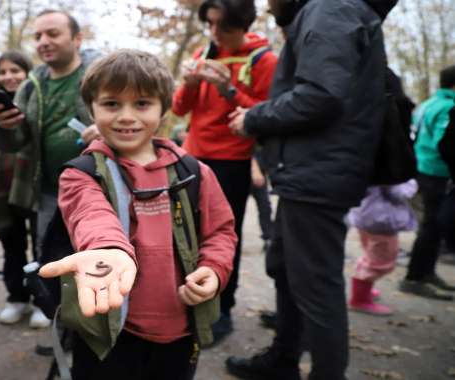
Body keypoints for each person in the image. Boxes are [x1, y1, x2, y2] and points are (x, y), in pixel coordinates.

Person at [38, 49, 236, 380]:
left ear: (163, 110)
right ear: (92, 109)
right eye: (112, 104)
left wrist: (214, 271)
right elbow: (91, 215)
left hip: (182, 330)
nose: (126, 116)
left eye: (142, 103)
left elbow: (221, 232)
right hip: (108, 330)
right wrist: (109, 251)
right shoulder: (81, 174)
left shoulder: (196, 172)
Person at [226, 0, 392, 379]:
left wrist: (254, 118)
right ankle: (284, 358)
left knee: (317, 286)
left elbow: (320, 95)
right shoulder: (333, 11)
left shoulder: (330, 10)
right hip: (312, 170)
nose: (268, 5)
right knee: (285, 266)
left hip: (319, 172)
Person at [171, 0, 278, 345]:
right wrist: (189, 82)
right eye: (211, 25)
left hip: (232, 162)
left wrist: (227, 90)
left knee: (221, 237)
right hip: (190, 158)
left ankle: (222, 309)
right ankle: (183, 298)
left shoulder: (264, 60)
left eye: (224, 27)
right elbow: (178, 108)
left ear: (244, 24)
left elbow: (268, 115)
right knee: (184, 232)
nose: (215, 34)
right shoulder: (205, 51)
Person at [0, 9, 101, 328]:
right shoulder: (32, 83)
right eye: (38, 36)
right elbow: (18, 142)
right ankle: (54, 314)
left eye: (53, 33)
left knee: (95, 249)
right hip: (49, 189)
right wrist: (6, 126)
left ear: (77, 39)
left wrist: (104, 133)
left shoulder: (100, 74)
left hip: (97, 185)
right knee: (49, 250)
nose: (43, 42)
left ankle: (99, 317)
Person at [0, 51, 45, 326]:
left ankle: (43, 301)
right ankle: (17, 298)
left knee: (42, 246)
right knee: (12, 245)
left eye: (15, 70)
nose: (8, 77)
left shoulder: (40, 104)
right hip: (1, 188)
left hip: (34, 185)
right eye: (3, 72)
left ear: (28, 73)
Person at [399, 65, 455, 300]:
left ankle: (427, 273)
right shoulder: (448, 107)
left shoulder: (429, 103)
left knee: (432, 225)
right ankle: (414, 277)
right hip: (437, 172)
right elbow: (446, 143)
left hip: (423, 168)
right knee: (432, 226)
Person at [346, 180, 418, 315]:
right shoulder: (390, 165)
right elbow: (399, 192)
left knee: (370, 255)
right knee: (381, 262)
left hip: (364, 214)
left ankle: (363, 290)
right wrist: (411, 183)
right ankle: (360, 299)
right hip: (381, 220)